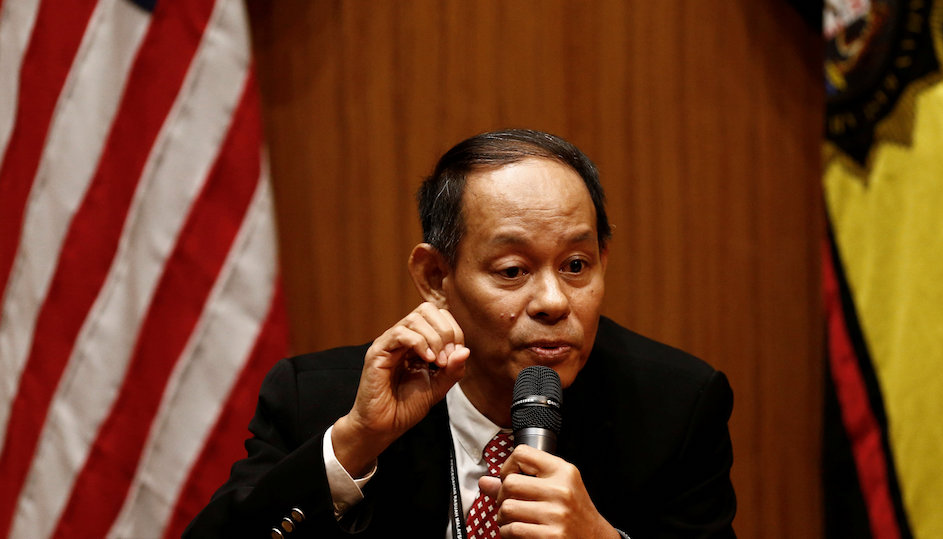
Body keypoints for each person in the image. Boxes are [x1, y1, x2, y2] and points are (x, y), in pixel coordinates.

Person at [184, 129, 736, 538]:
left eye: (575, 265)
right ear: (435, 276)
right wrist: (356, 443)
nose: (552, 302)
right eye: (513, 271)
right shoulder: (321, 401)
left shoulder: (675, 407)